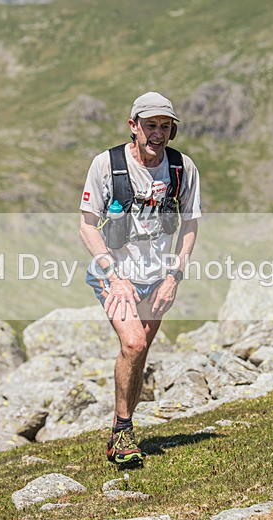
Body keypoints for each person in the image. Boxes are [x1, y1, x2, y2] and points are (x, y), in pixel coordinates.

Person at [79, 91, 201, 464]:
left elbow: (191, 222)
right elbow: (86, 224)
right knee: (133, 344)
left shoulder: (182, 169)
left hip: (158, 277)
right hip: (115, 275)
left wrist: (174, 276)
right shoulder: (107, 164)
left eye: (165, 126)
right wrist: (114, 277)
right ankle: (122, 433)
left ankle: (123, 429)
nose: (158, 133)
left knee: (140, 348)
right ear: (134, 127)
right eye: (150, 125)